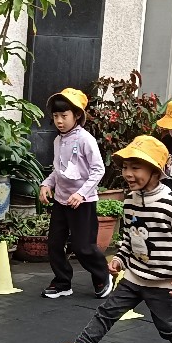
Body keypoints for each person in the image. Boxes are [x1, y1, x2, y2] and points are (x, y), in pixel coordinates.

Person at [44, 135, 172, 343]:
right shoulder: (130, 200)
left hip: (164, 282)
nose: (128, 174)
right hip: (135, 276)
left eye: (136, 168)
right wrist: (120, 259)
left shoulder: (170, 204)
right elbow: (130, 237)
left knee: (168, 326)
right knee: (106, 313)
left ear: (156, 172)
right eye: (126, 167)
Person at [38, 88, 112, 299]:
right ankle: (62, 282)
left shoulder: (85, 139)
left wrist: (81, 194)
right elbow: (58, 170)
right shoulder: (58, 140)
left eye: (64, 115)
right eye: (55, 116)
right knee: (54, 243)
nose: (59, 121)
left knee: (83, 247)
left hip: (83, 202)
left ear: (77, 115)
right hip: (61, 201)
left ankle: (102, 275)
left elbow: (98, 170)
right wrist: (46, 184)